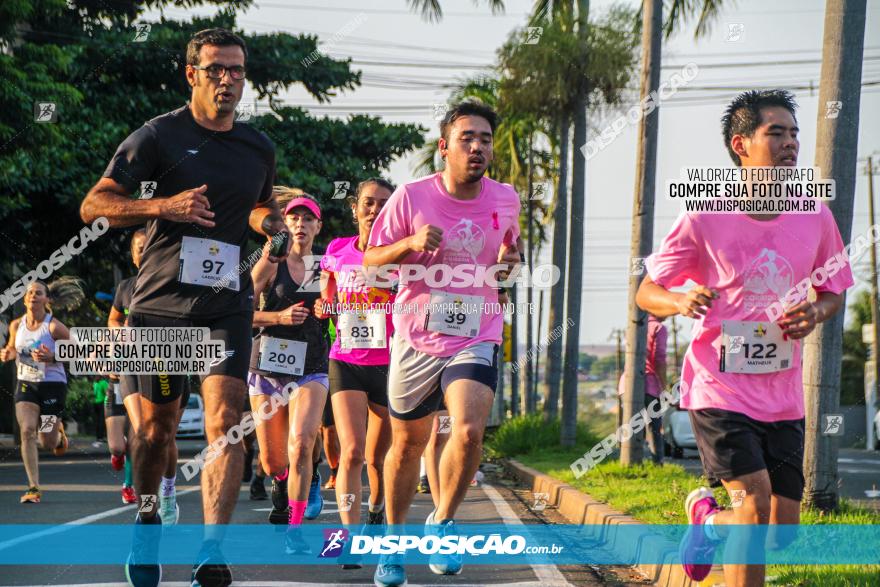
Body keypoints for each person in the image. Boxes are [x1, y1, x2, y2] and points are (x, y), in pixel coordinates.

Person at [80, 27, 283, 587]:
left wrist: (273, 227)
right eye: (216, 69)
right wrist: (164, 205)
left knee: (226, 421)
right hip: (164, 306)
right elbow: (93, 204)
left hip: (227, 305)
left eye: (237, 70)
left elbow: (257, 206)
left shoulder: (258, 147)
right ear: (191, 74)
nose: (227, 79)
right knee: (157, 432)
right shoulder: (157, 137)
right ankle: (147, 531)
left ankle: (212, 553)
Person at [636, 89, 853, 587]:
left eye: (794, 133)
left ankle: (707, 521)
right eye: (775, 133)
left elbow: (833, 290)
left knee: (780, 534)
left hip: (782, 397)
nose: (790, 144)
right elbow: (649, 290)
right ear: (741, 144)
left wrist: (815, 312)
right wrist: (680, 301)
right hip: (720, 388)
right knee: (753, 508)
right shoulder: (705, 216)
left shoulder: (814, 213)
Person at [363, 100, 521, 586]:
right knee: (407, 445)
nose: (478, 147)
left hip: (478, 329)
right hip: (416, 333)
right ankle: (393, 543)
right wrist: (407, 244)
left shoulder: (506, 197)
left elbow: (503, 272)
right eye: (467, 138)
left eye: (486, 139)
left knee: (470, 430)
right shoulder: (410, 197)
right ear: (444, 147)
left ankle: (445, 521)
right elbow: (372, 264)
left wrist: (510, 262)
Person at [318, 178, 396, 564]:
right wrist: (324, 307)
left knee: (377, 459)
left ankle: (377, 513)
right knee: (350, 452)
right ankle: (347, 536)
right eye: (368, 202)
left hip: (390, 363)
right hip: (346, 358)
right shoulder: (335, 251)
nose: (375, 209)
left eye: (383, 203)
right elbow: (326, 296)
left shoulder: (403, 257)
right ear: (355, 208)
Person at [247, 190, 329, 554]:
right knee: (272, 460)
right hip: (266, 365)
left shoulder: (326, 267)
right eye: (294, 218)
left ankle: (295, 529)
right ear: (284, 224)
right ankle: (282, 483)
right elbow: (239, 313)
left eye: (308, 218)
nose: (300, 224)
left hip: (311, 366)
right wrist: (277, 317)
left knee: (301, 445)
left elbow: (343, 309)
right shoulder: (270, 260)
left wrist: (332, 309)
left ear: (318, 227)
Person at [108, 228, 187, 517]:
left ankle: (168, 491)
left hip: (167, 364)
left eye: (150, 246)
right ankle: (148, 508)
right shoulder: (126, 287)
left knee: (162, 435)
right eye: (139, 248)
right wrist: (122, 336)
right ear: (133, 255)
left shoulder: (175, 284)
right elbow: (113, 320)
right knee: (142, 432)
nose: (145, 252)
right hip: (133, 365)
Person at [0, 277, 83, 504]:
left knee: (46, 441)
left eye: (38, 293)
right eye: (29, 292)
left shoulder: (54, 326)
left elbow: (77, 352)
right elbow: (11, 347)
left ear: (47, 299)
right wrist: (8, 353)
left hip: (52, 386)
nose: (32, 296)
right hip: (26, 384)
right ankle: (33, 487)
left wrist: (53, 356)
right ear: (25, 298)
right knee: (27, 430)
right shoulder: (17, 325)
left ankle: (57, 437)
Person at [617, 314, 667, 463]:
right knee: (654, 428)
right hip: (649, 385)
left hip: (626, 384)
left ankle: (627, 461)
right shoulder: (659, 328)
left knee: (630, 426)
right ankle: (657, 464)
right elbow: (659, 360)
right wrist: (664, 387)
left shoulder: (632, 326)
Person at [92, 376, 109, 443]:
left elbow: (94, 393)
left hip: (95, 402)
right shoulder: (104, 382)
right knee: (102, 421)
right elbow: (107, 393)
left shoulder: (95, 383)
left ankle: (98, 437)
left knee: (97, 420)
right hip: (102, 402)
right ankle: (101, 437)